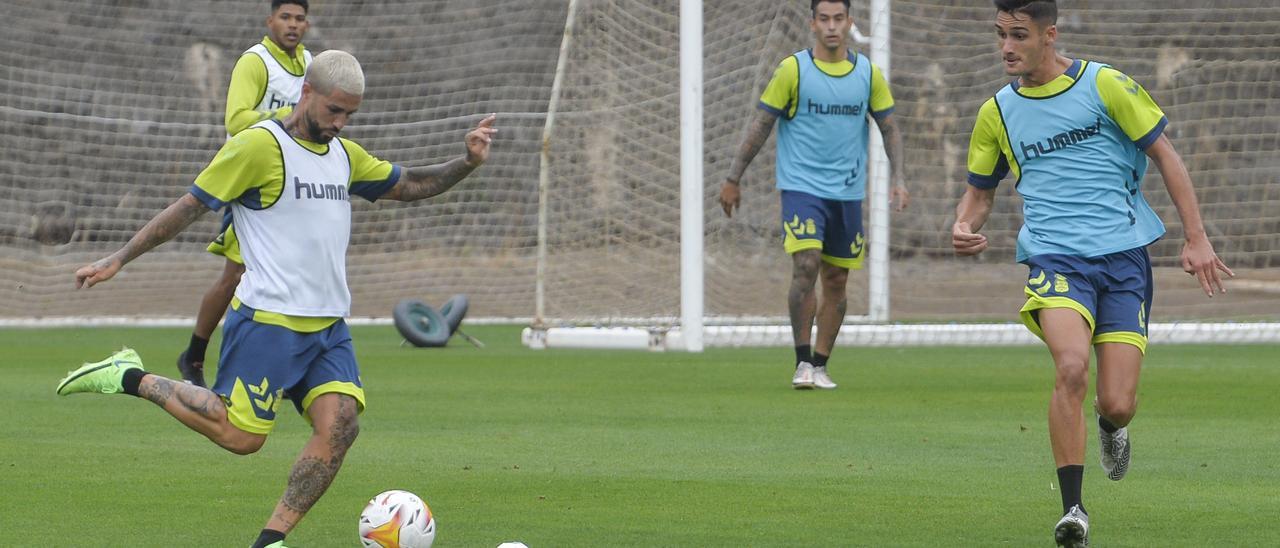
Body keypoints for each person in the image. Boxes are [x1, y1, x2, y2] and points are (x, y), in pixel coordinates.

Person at [58, 50, 497, 548]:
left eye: (349, 114)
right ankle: (128, 375)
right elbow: (189, 206)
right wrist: (119, 258)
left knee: (341, 426)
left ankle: (271, 540)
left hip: (328, 327)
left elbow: (412, 183)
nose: (340, 123)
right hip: (269, 321)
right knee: (242, 438)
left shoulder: (345, 156)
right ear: (306, 92)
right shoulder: (257, 147)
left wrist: (466, 162)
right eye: (334, 110)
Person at [952, 1, 1232, 545]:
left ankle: (1110, 427)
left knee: (1118, 402)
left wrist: (1196, 238)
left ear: (1049, 35)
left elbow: (1167, 156)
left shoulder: (1106, 86)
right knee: (1072, 368)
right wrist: (963, 224)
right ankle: (1074, 510)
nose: (1007, 47)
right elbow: (979, 194)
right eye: (1000, 35)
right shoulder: (997, 112)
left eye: (1019, 35)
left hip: (1124, 259)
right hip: (1054, 259)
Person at [719, 0, 909, 390]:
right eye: (824, 19)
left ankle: (821, 365)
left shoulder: (867, 74)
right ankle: (802, 362)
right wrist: (733, 177)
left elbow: (889, 126)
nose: (832, 27)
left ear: (850, 23)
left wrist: (899, 176)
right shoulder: (794, 70)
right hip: (801, 188)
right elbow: (761, 123)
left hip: (847, 193)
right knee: (805, 265)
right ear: (813, 24)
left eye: (839, 19)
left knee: (837, 278)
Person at [178, 0, 314, 388]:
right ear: (270, 20)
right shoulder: (255, 62)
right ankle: (194, 355)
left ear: (307, 24)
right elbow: (236, 120)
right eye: (285, 17)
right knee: (236, 273)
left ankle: (288, 368)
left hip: (293, 181)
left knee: (296, 269)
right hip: (252, 181)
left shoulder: (312, 65)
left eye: (299, 18)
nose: (292, 24)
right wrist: (290, 115)